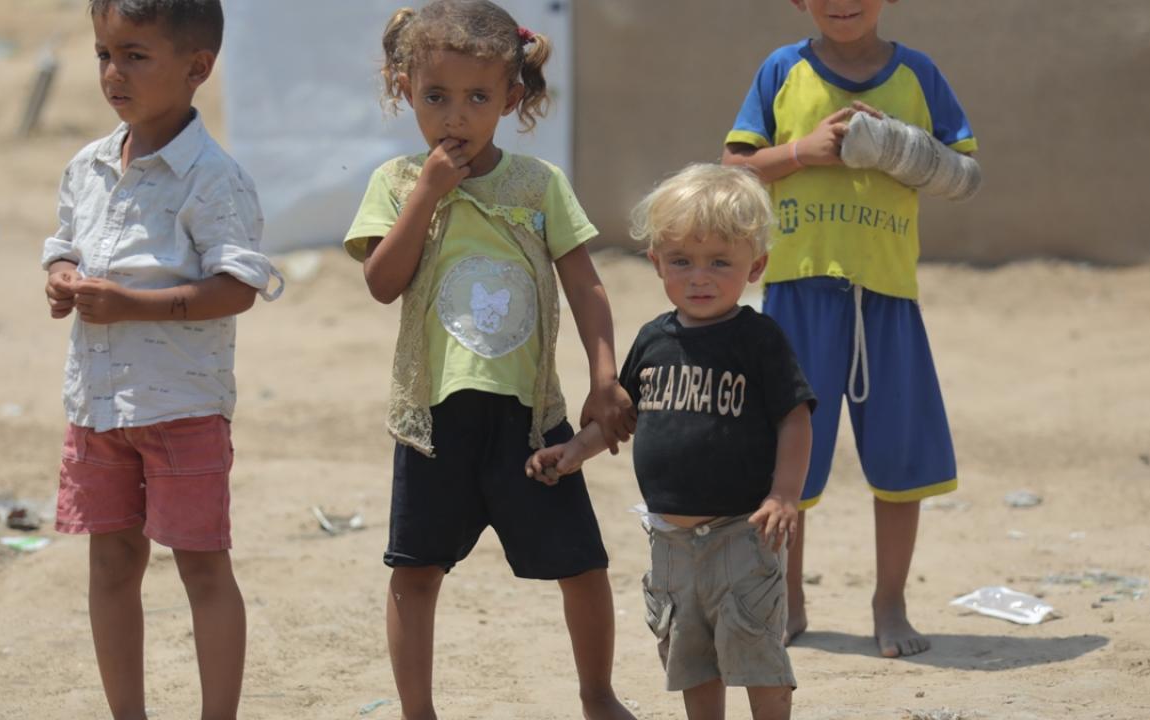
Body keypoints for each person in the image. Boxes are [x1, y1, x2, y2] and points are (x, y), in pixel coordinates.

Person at [342, 2, 636, 718]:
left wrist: (605, 376)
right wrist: (427, 193)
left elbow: (586, 286)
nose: (456, 117)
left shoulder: (538, 185)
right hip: (434, 421)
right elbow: (383, 282)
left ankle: (597, 695)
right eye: (436, 97)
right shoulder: (397, 181)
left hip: (531, 420)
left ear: (511, 98)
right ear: (405, 90)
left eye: (478, 97)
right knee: (415, 571)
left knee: (583, 564)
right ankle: (418, 711)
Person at [41, 1, 282, 717]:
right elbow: (64, 244)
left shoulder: (213, 178)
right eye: (104, 54)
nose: (113, 73)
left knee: (202, 567)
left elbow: (237, 287)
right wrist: (61, 279)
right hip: (98, 405)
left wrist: (132, 305)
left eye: (135, 56)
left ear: (197, 67)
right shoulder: (87, 166)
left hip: (182, 409)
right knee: (111, 563)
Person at [721, 0, 980, 658]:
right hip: (797, 291)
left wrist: (897, 148)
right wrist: (802, 152)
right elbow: (734, 168)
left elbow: (962, 174)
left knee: (901, 458)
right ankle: (789, 601)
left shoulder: (919, 74)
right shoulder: (781, 70)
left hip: (887, 294)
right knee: (788, 462)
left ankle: (889, 603)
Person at [527, 164, 816, 720]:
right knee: (690, 656)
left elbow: (795, 417)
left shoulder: (759, 339)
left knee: (756, 651)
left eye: (719, 262)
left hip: (742, 535)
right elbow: (621, 416)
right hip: (670, 543)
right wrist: (574, 453)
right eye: (682, 260)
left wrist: (784, 494)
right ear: (657, 261)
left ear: (755, 266)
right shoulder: (654, 339)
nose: (699, 277)